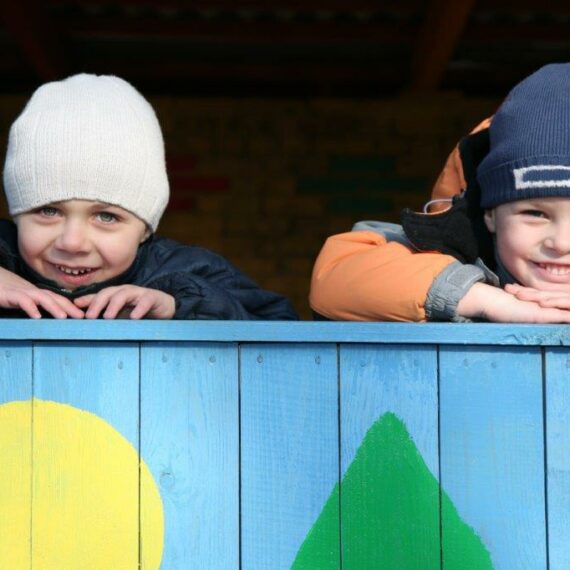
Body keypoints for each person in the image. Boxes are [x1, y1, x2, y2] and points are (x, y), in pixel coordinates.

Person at [0, 73, 297, 320]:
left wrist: (178, 304)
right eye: (49, 211)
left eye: (106, 216)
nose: (72, 242)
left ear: (145, 228)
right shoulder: (5, 255)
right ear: (17, 214)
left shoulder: (184, 270)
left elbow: (279, 324)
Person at [310, 63, 570, 323]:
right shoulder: (446, 248)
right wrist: (482, 299)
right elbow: (335, 275)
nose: (561, 243)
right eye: (535, 213)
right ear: (490, 213)